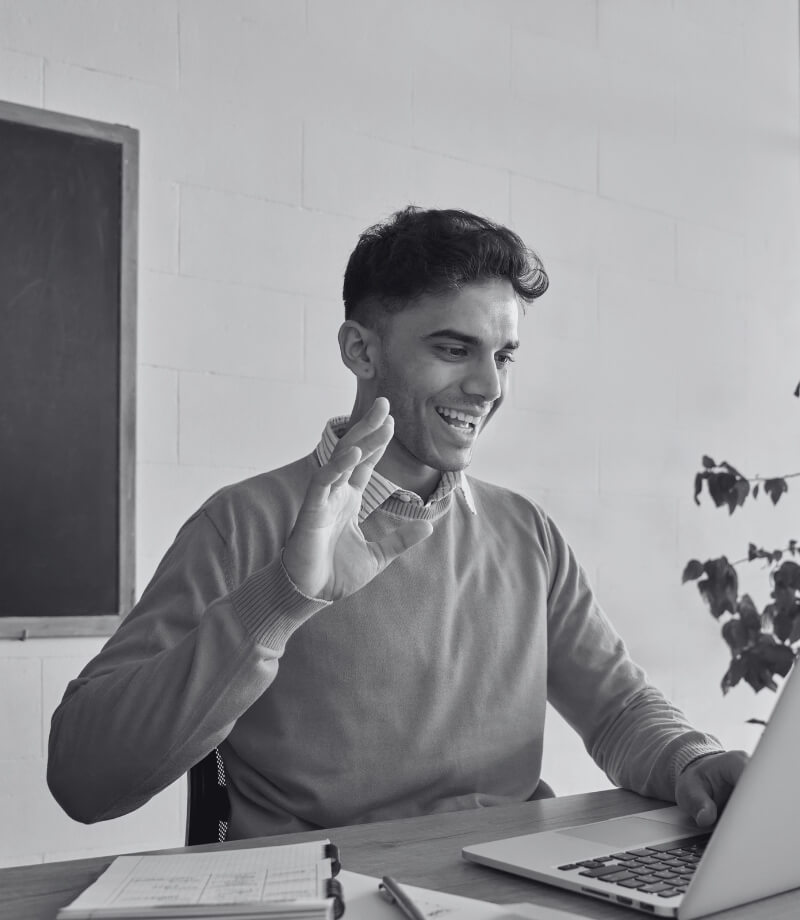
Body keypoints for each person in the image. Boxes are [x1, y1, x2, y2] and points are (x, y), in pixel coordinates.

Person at [47, 206, 746, 840]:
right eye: (453, 349)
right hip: (328, 894)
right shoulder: (242, 523)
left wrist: (692, 760)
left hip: (504, 886)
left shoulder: (523, 531)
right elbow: (83, 780)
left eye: (502, 356)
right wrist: (284, 600)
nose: (490, 386)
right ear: (360, 351)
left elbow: (619, 712)